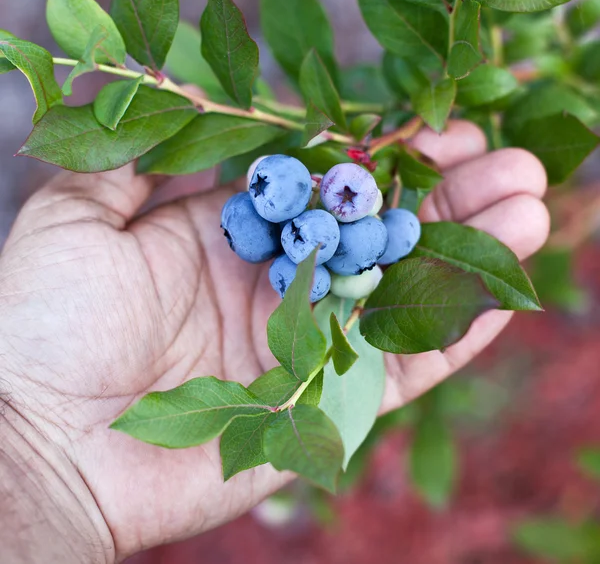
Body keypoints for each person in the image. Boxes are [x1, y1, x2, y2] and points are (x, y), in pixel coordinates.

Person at [0, 121, 549, 564]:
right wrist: (33, 444)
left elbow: (347, 240)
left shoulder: (323, 220)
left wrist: (34, 443)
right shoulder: (305, 220)